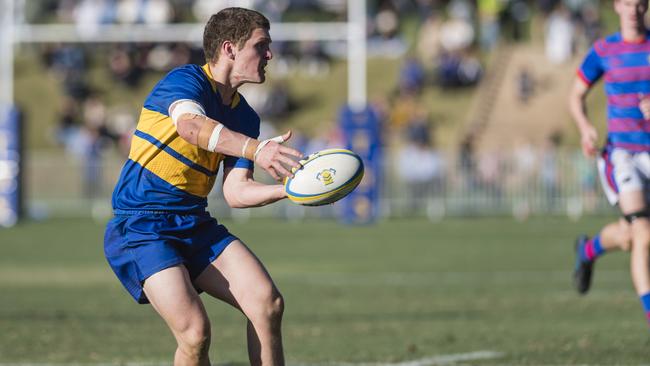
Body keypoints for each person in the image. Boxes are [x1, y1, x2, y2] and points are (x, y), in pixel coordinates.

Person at [103, 8, 303, 365]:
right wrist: (256, 150)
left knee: (266, 302)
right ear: (229, 48)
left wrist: (292, 189)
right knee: (195, 333)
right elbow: (191, 127)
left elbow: (236, 192)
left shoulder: (245, 116)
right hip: (142, 225)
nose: (270, 55)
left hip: (193, 222)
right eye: (262, 46)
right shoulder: (184, 81)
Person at [568, 0, 650, 327]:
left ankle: (588, 250)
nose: (633, 9)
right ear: (617, 6)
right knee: (643, 233)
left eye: (639, 3)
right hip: (623, 155)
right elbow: (575, 95)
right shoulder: (604, 51)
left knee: (630, 237)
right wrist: (586, 128)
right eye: (627, 2)